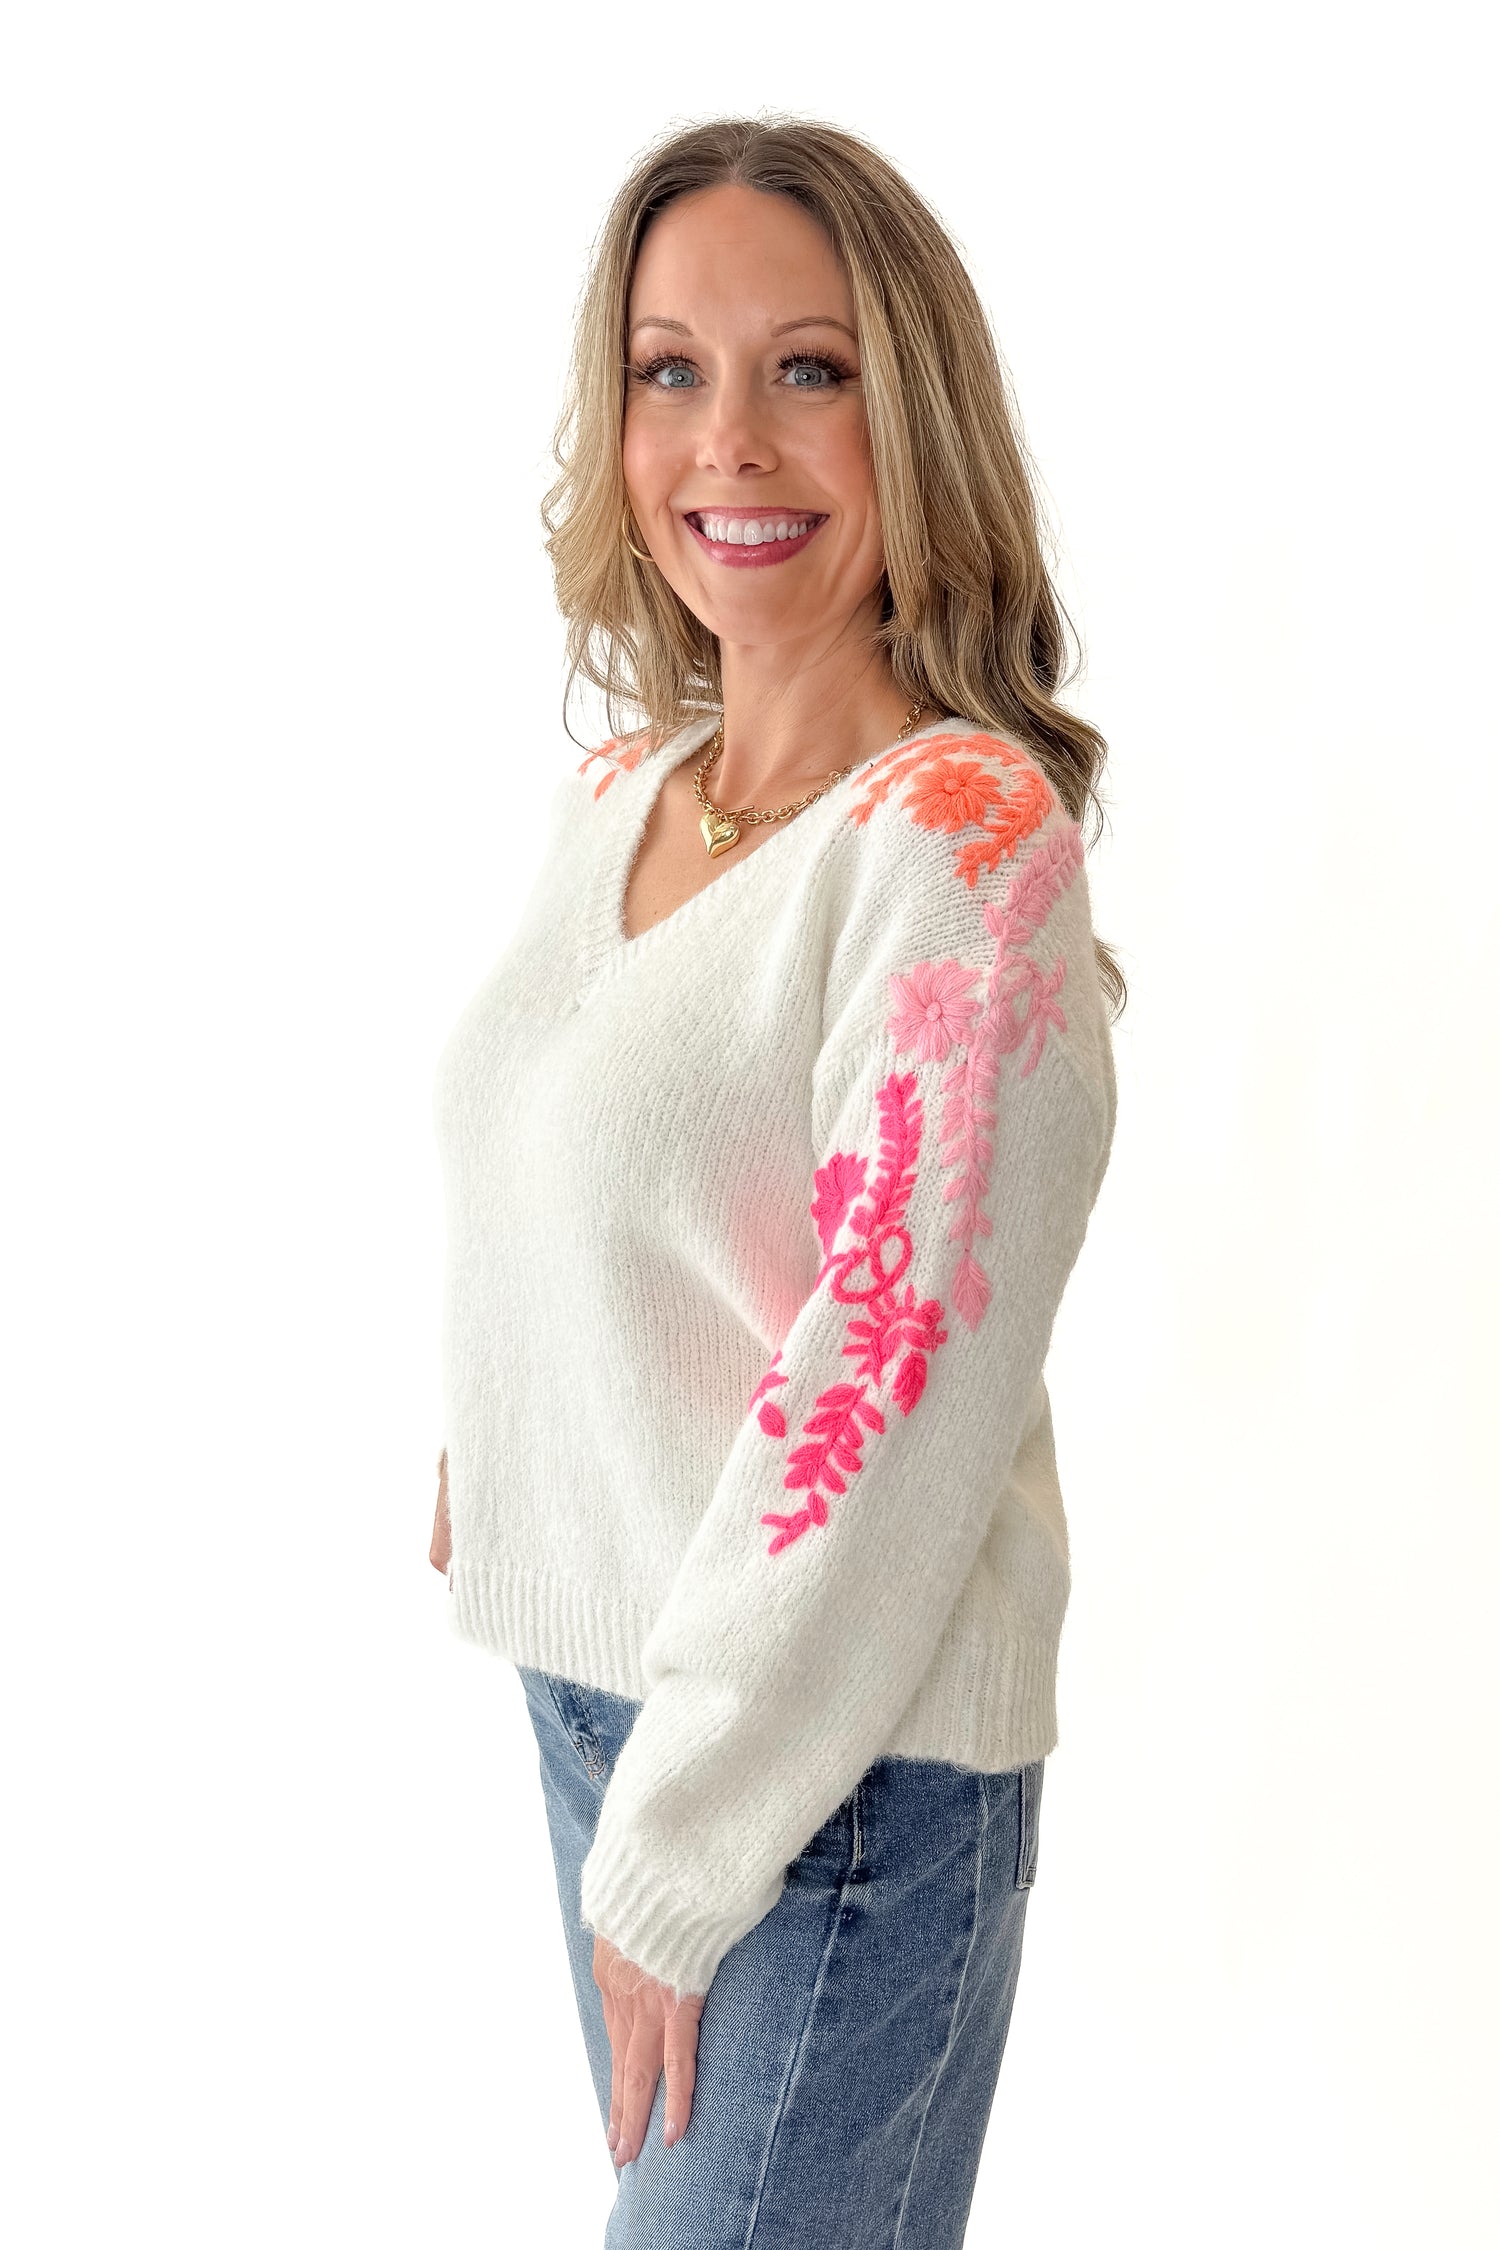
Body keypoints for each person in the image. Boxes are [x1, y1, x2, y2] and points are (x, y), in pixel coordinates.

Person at [428, 113, 1125, 2248]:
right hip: (621, 1704)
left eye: (809, 368)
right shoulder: (627, 792)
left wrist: (684, 1839)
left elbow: (891, 1377)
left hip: (823, 1776)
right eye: (671, 370)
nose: (732, 439)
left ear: (909, 410)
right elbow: (574, 1155)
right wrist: (523, 1442)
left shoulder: (961, 847)